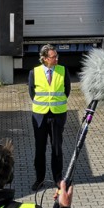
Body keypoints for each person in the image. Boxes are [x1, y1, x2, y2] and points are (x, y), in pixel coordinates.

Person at [28, 44, 71, 191]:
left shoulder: (63, 71)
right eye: (53, 57)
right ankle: (39, 179)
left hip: (58, 115)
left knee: (56, 149)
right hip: (40, 116)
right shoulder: (34, 72)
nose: (56, 59)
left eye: (57, 56)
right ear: (45, 59)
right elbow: (32, 93)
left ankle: (58, 179)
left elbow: (67, 90)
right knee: (40, 149)